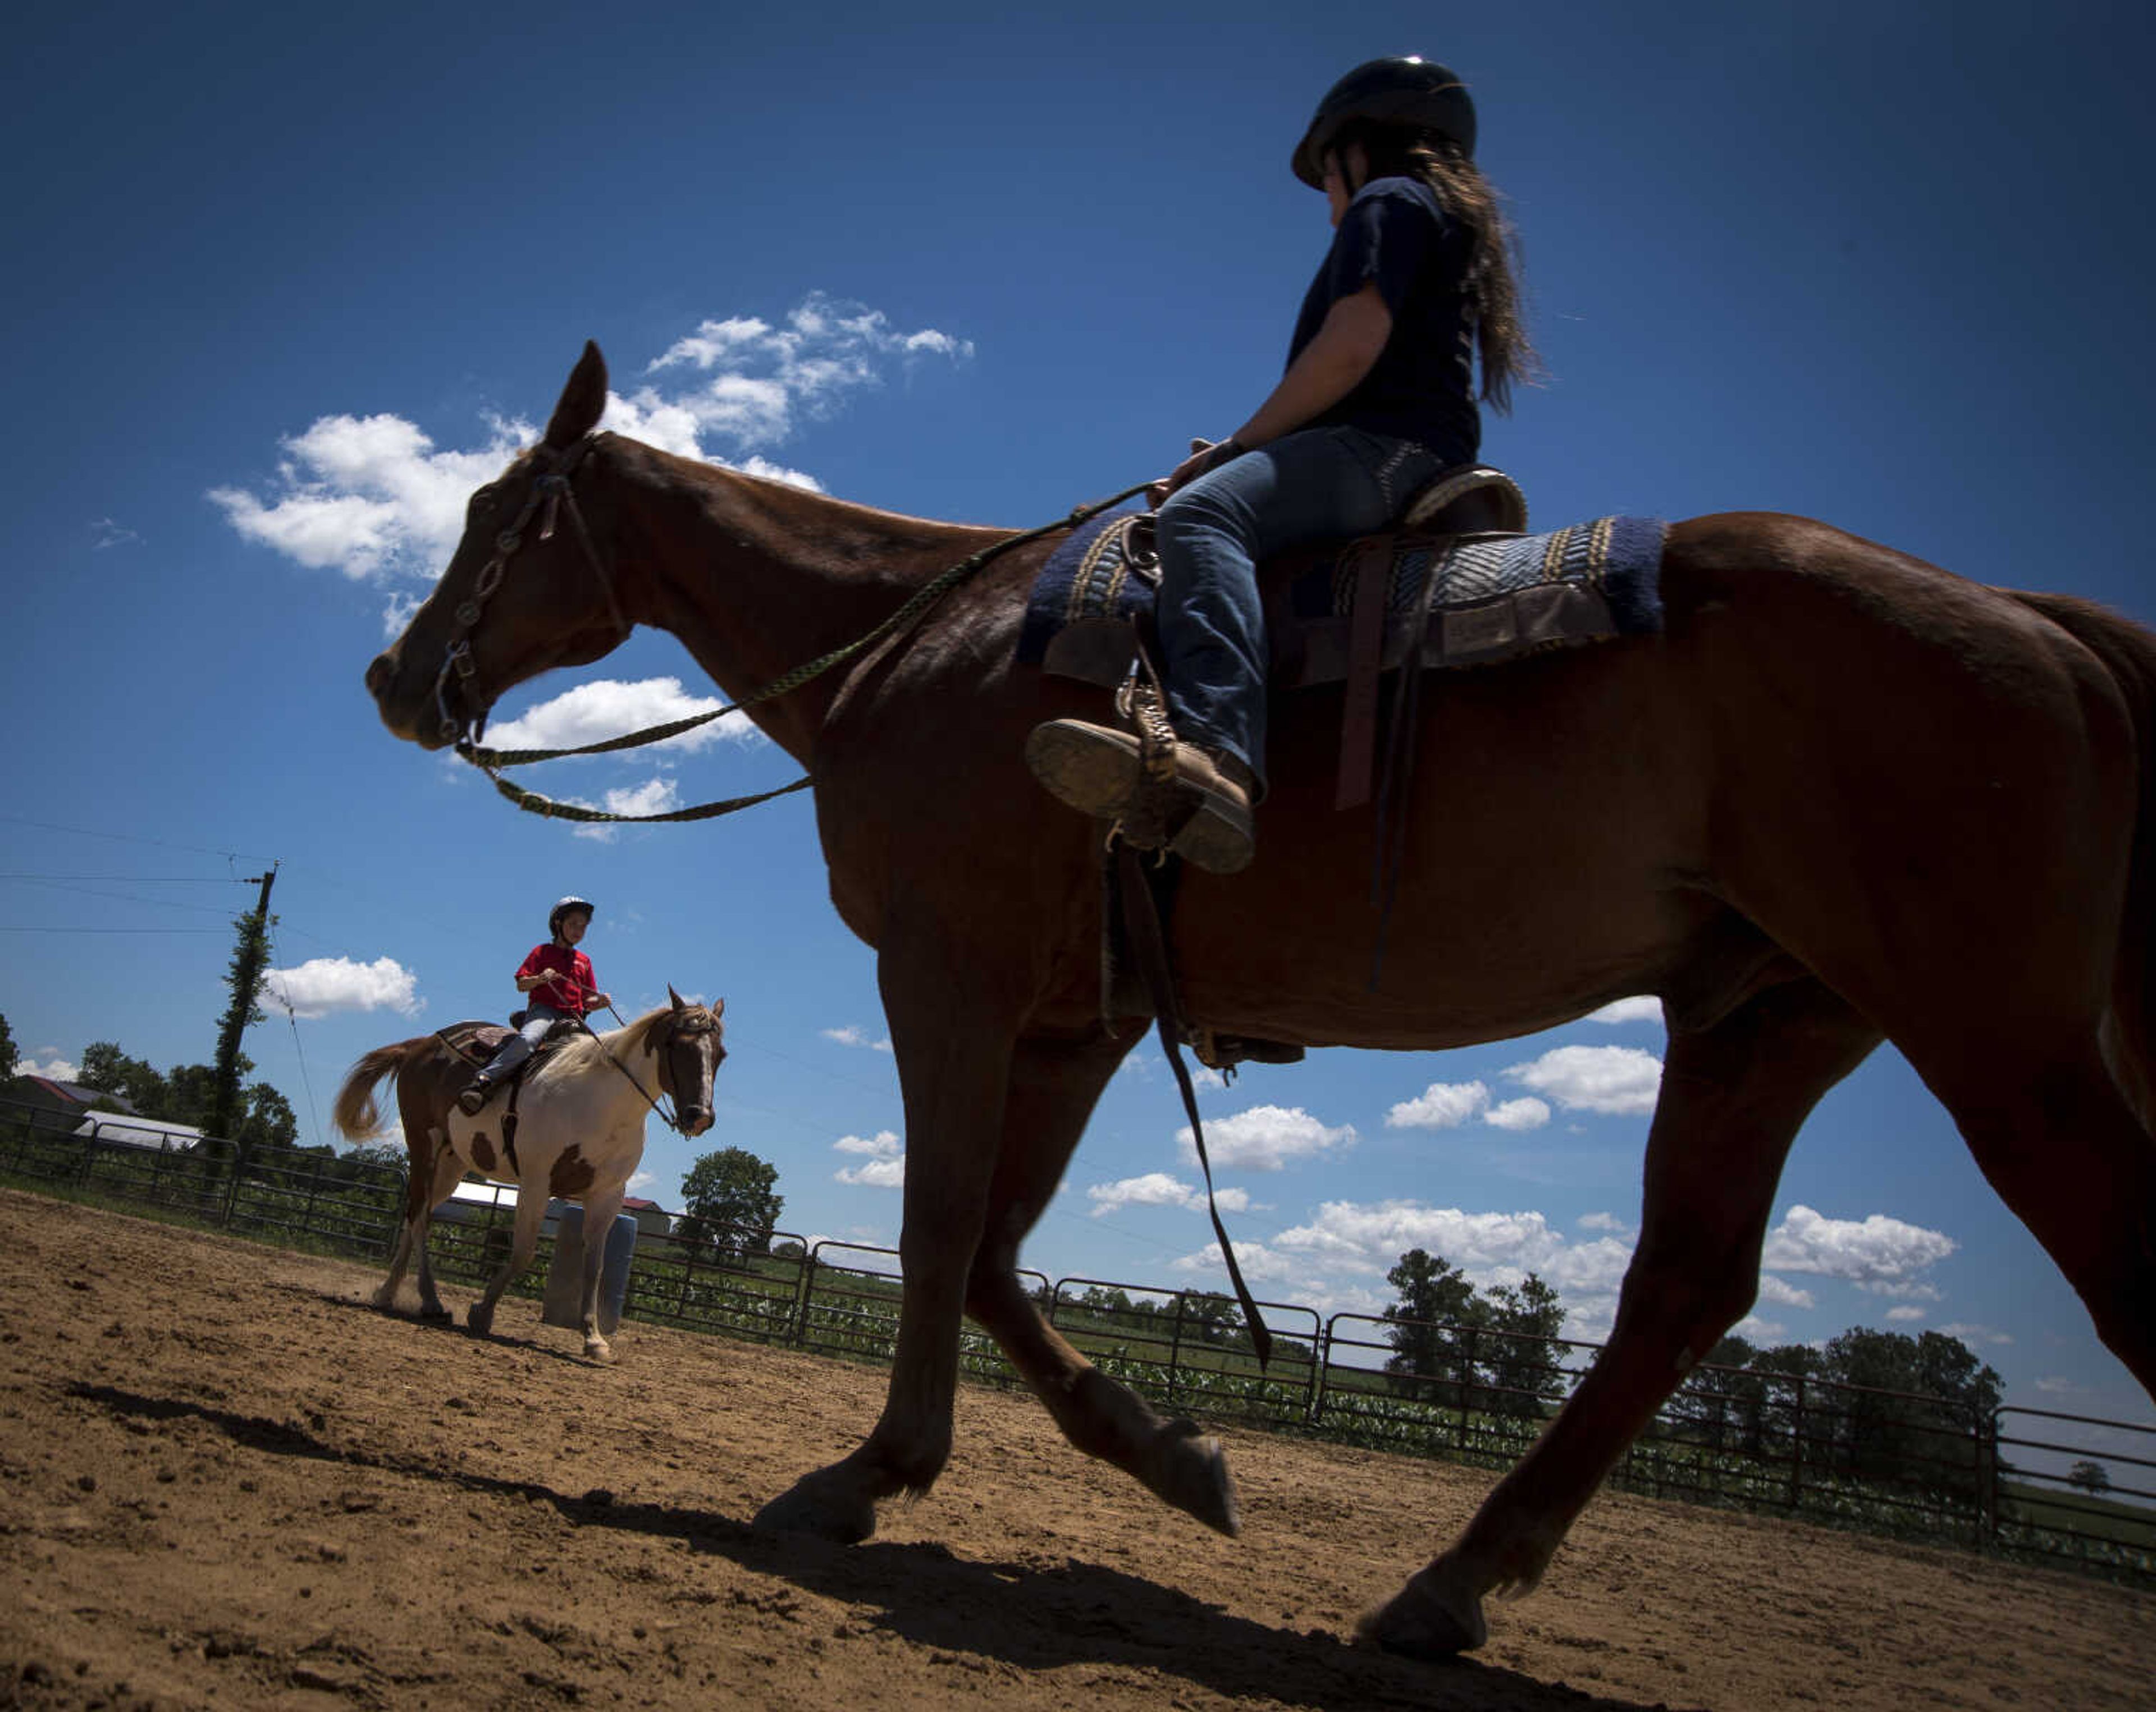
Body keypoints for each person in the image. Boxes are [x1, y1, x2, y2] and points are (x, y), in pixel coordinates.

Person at [1025, 56, 1537, 873]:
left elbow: (1350, 349)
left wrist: (1235, 451)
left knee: (1201, 514)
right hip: (1408, 448)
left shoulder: (1388, 200)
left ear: (1354, 148)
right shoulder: (1435, 215)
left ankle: (1216, 756)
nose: (1332, 210)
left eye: (1326, 181)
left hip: (1382, 448)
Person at [457, 895, 613, 1114]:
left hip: (575, 1019)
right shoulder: (542, 952)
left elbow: (588, 1001)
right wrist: (540, 978)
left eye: (583, 926)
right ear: (559, 924)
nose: (579, 930)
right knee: (529, 1039)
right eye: (573, 924)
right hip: (545, 1012)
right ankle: (485, 1080)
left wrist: (601, 1002)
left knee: (600, 1055)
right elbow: (521, 985)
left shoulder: (584, 961)